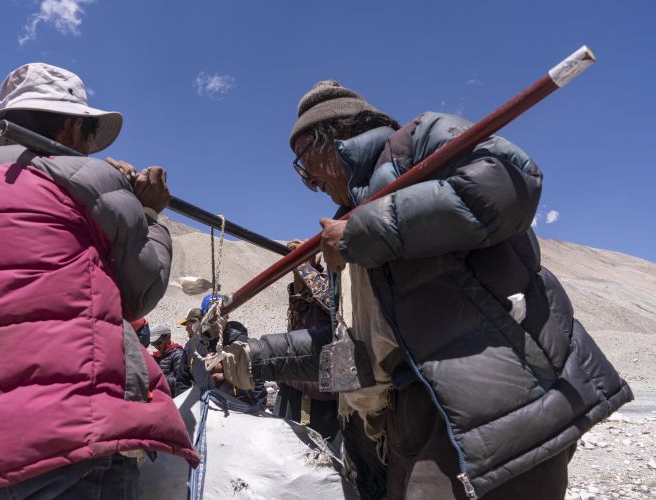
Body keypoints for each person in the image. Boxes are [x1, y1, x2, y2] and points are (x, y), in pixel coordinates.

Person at [212, 80, 632, 499]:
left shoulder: (419, 142)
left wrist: (363, 232)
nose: (310, 184)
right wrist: (253, 359)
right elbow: (351, 353)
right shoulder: (348, 229)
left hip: (495, 412)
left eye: (305, 163)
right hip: (405, 424)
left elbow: (509, 182)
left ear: (334, 137)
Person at [0, 63, 198, 500]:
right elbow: (140, 293)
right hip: (67, 437)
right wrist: (150, 212)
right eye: (86, 132)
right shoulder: (91, 178)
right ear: (70, 127)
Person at [274, 240, 339, 441]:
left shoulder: (348, 288)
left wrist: (303, 265)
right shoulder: (321, 282)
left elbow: (332, 302)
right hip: (291, 393)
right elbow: (299, 306)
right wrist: (300, 269)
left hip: (323, 405)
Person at [150, 324, 191, 397]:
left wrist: (158, 379)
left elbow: (181, 381)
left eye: (158, 343)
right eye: (153, 344)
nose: (156, 346)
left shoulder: (178, 354)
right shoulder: (158, 356)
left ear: (168, 337)